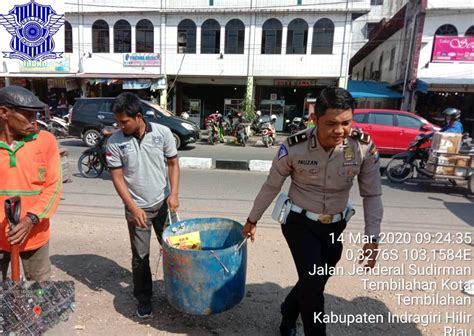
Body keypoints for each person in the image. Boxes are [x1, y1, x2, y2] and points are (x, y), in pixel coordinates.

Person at [242, 87, 383, 336]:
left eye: (346, 123)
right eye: (331, 124)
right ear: (314, 119)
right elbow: (272, 185)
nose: (339, 131)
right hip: (299, 223)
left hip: (335, 226)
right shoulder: (295, 147)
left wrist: (372, 238)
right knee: (314, 286)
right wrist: (252, 219)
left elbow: (372, 194)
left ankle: (288, 310)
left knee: (315, 280)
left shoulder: (362, 147)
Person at [106, 92, 180, 319]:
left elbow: (173, 164)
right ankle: (144, 298)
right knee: (140, 257)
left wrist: (174, 193)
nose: (120, 125)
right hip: (137, 209)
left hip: (164, 204)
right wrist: (133, 207)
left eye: (124, 121)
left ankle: (178, 291)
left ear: (138, 116)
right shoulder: (115, 142)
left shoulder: (163, 133)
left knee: (176, 251)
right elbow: (117, 178)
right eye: (118, 121)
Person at [0, 86, 63, 281]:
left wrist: (30, 220)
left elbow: (53, 186)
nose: (33, 121)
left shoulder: (45, 141)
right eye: (27, 115)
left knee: (40, 291)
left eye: (35, 115)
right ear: (4, 113)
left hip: (35, 234)